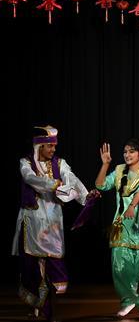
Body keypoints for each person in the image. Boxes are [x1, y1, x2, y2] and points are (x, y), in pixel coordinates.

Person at [14, 126, 93, 320]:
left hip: (52, 223)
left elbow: (71, 179)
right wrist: (53, 184)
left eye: (54, 146)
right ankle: (39, 307)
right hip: (32, 222)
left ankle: (47, 307)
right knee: (33, 266)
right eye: (49, 146)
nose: (53, 150)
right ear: (39, 146)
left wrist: (85, 195)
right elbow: (30, 178)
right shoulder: (26, 163)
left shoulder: (60, 164)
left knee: (53, 264)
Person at [94, 138, 139, 321]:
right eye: (125, 151)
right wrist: (105, 164)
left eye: (132, 151)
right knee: (120, 266)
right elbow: (101, 185)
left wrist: (132, 205)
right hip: (122, 226)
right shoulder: (119, 171)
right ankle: (128, 300)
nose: (127, 155)